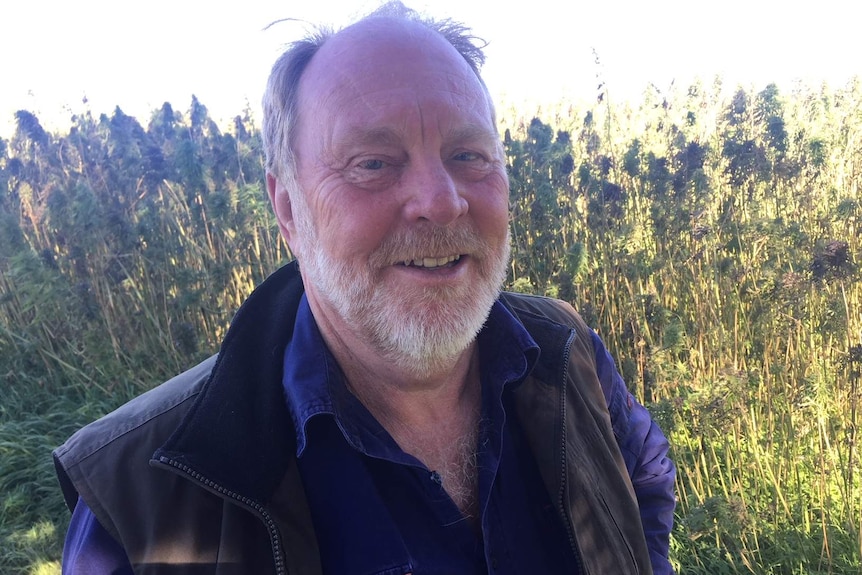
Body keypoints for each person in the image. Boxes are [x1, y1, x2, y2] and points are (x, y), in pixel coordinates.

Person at [54, 2, 676, 574]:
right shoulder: (143, 498)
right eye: (373, 164)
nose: (440, 201)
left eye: (469, 154)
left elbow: (643, 476)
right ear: (289, 211)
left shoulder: (569, 355)